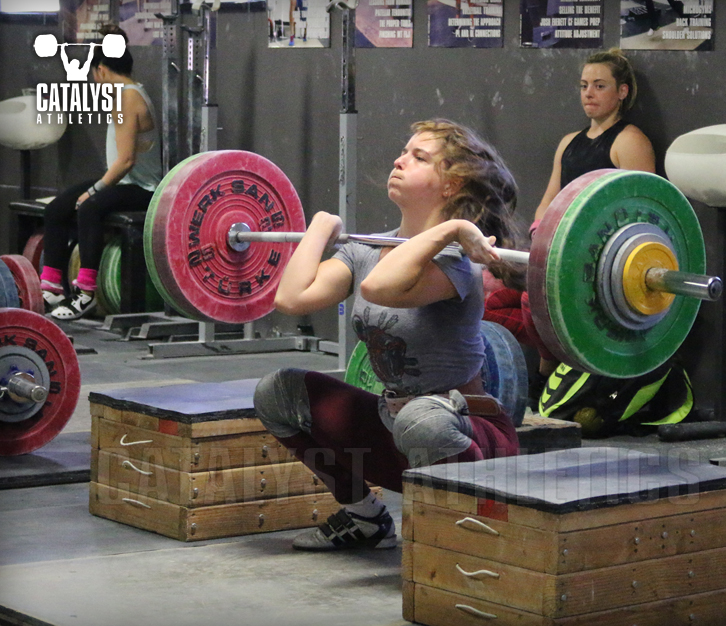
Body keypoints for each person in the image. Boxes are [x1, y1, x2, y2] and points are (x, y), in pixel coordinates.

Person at [254, 119, 521, 552]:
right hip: (394, 427)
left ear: (451, 185)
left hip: (465, 438)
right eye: (404, 151)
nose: (399, 161)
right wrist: (320, 227)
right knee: (278, 391)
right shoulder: (365, 248)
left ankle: (467, 537)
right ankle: (365, 519)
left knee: (422, 420)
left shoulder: (456, 260)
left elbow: (380, 288)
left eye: (419, 157)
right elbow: (291, 298)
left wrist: (449, 231)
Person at [520, 47, 656, 396]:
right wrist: (540, 237)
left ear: (621, 92)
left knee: (542, 303)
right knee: (509, 300)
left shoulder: (630, 141)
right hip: (563, 250)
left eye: (599, 85)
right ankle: (548, 376)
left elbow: (643, 211)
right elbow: (549, 200)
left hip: (607, 259)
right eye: (584, 86)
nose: (589, 94)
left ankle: (559, 381)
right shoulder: (569, 142)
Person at [40, 26, 162, 320]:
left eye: (94, 75)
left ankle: (86, 293)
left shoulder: (127, 98)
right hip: (124, 183)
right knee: (57, 208)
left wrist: (94, 191)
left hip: (143, 189)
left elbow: (127, 161)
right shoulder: (127, 93)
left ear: (102, 70)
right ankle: (52, 288)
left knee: (89, 207)